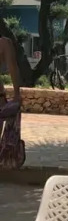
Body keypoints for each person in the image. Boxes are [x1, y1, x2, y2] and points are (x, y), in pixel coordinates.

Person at [0, 37, 24, 169]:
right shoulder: (4, 43)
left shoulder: (4, 43)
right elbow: (13, 68)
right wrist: (17, 94)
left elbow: (13, 67)